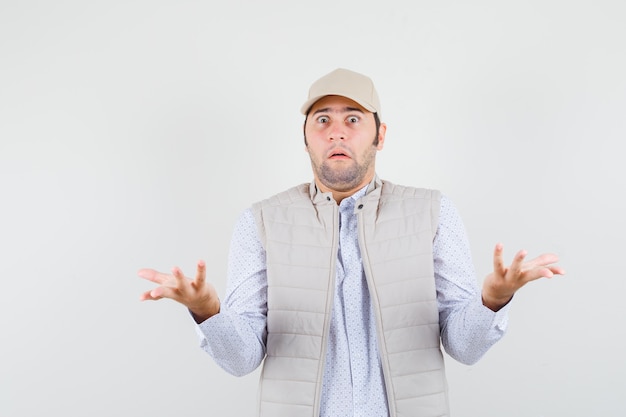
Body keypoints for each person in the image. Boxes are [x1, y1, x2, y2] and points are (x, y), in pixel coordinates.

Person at [138, 68, 565, 417]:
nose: (336, 133)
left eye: (353, 119)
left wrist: (493, 300)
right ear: (305, 137)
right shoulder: (260, 221)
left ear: (380, 136)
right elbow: (240, 359)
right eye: (322, 120)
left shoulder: (433, 211)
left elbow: (465, 347)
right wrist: (206, 311)